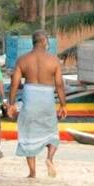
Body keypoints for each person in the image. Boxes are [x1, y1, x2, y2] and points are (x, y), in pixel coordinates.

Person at [7, 30, 68, 178]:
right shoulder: (53, 60)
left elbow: (15, 83)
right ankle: (49, 158)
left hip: (30, 96)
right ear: (45, 42)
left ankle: (32, 172)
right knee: (51, 131)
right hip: (47, 96)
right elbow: (59, 84)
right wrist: (63, 104)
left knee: (28, 132)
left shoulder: (23, 59)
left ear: (32, 42)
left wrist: (11, 103)